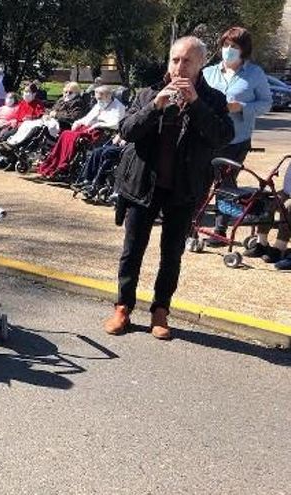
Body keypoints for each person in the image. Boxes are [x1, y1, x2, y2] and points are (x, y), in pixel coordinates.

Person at [104, 36, 233, 340]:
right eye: (175, 60)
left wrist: (197, 105)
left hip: (183, 188)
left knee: (171, 253)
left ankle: (160, 310)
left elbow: (222, 137)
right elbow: (126, 130)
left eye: (187, 61)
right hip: (142, 185)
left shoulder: (213, 100)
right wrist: (154, 106)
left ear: (201, 65)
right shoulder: (148, 92)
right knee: (132, 250)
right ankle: (123, 307)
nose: (179, 67)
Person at [202, 26, 273, 247]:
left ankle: (220, 228)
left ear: (244, 50)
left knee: (225, 182)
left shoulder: (255, 74)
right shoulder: (209, 72)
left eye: (234, 46)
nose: (228, 50)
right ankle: (191, 222)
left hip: (236, 139)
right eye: (225, 45)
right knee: (200, 179)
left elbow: (266, 104)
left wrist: (241, 107)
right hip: (206, 137)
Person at [36, 85, 125, 178]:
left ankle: (64, 166)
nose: (98, 101)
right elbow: (88, 117)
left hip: (102, 131)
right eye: (97, 98)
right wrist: (78, 122)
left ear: (108, 96)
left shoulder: (118, 107)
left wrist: (98, 124)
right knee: (65, 134)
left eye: (100, 98)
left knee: (73, 136)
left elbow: (116, 124)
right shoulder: (100, 103)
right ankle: (56, 163)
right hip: (89, 127)